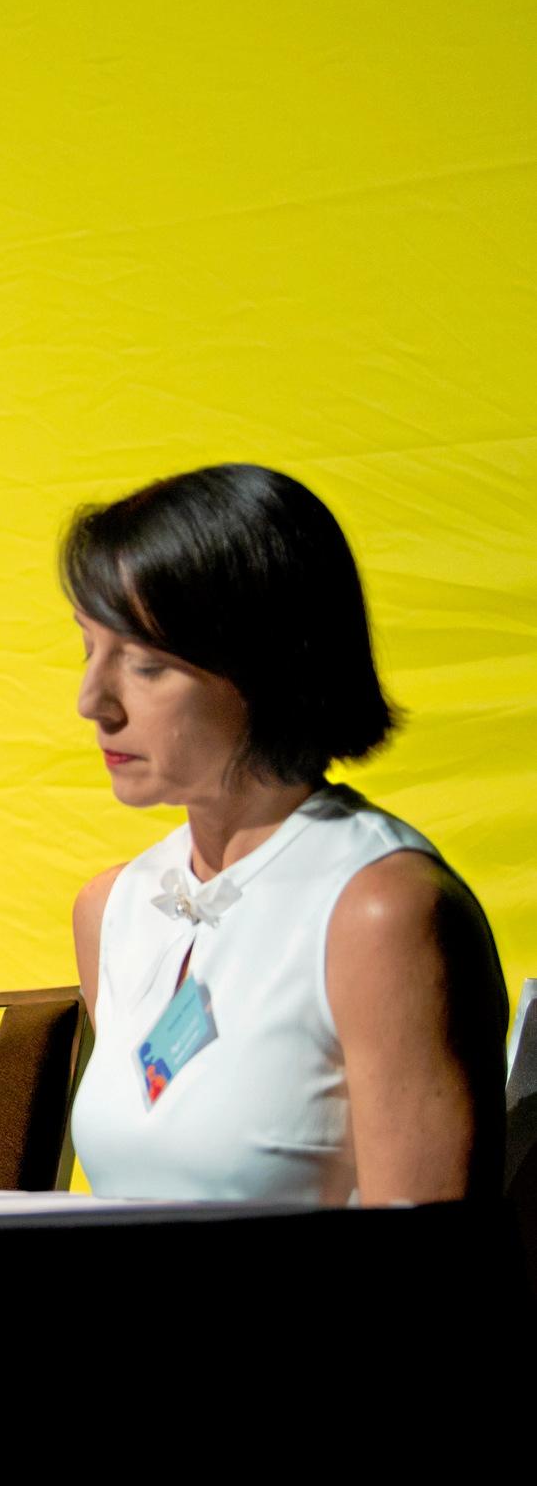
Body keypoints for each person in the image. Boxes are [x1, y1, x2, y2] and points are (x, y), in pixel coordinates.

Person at [62, 464, 505, 1203]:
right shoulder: (113, 907)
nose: (92, 701)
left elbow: (439, 1269)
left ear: (263, 665)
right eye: (86, 648)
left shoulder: (383, 912)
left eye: (145, 663)